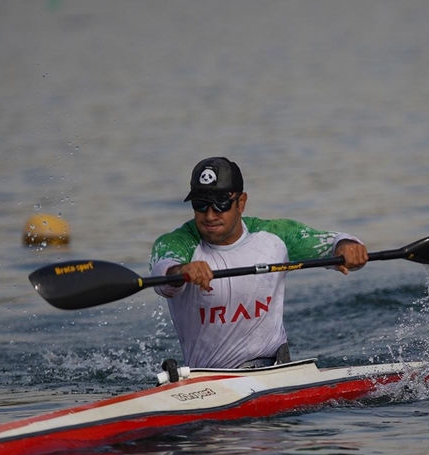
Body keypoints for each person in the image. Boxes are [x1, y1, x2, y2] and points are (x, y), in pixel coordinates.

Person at [150, 157, 368, 369]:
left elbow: (334, 242)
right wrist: (182, 271)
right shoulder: (176, 243)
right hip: (210, 379)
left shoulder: (274, 235)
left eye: (220, 204)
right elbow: (163, 277)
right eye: (200, 204)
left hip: (275, 368)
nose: (209, 215)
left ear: (241, 203)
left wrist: (347, 247)